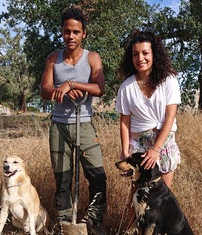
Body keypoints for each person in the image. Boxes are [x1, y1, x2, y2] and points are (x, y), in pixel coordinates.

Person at [40, 5, 107, 234]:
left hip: (85, 124)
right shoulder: (53, 59)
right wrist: (62, 89)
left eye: (76, 32)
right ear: (61, 32)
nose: (71, 36)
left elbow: (99, 88)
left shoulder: (92, 58)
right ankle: (66, 224)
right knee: (63, 182)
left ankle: (94, 224)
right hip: (59, 126)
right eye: (67, 31)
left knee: (98, 177)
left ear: (83, 33)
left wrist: (74, 84)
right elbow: (44, 90)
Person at [115, 30, 182, 228]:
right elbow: (124, 121)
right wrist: (126, 150)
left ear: (154, 54)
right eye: (135, 54)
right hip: (139, 146)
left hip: (163, 144)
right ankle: (130, 231)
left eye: (145, 53)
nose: (140, 58)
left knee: (161, 200)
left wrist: (156, 149)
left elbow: (170, 117)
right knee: (136, 199)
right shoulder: (126, 87)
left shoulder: (169, 80)